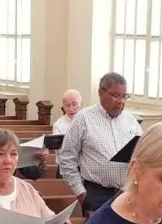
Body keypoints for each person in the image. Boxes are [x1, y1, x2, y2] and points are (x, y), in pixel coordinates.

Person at [58, 72, 143, 214]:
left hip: (126, 192)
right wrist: (81, 193)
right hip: (96, 194)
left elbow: (143, 151)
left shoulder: (130, 120)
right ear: (101, 93)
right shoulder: (83, 119)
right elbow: (66, 158)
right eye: (116, 95)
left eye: (124, 96)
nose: (121, 101)